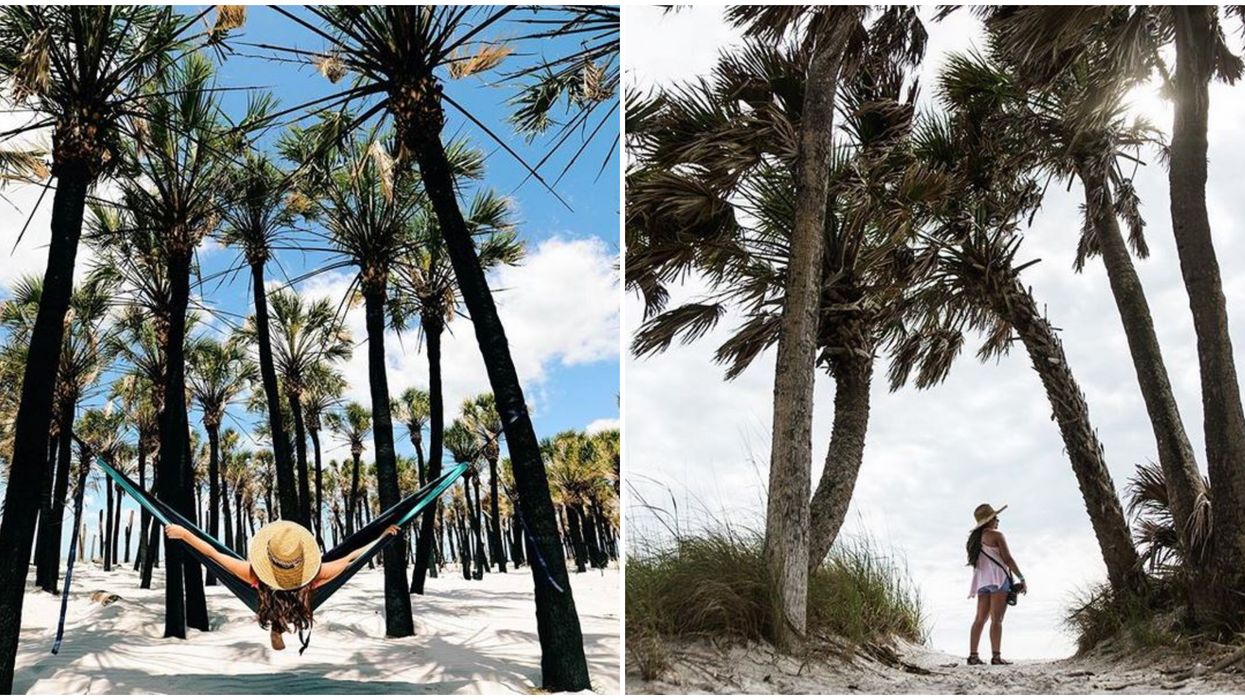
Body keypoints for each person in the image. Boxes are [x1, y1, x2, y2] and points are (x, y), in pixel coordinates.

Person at [166, 520, 398, 650]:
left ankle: (277, 628)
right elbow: (351, 558)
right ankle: (279, 627)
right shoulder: (317, 573)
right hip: (300, 604)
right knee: (289, 604)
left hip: (269, 604)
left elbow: (214, 554)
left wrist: (185, 534)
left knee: (272, 603)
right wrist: (381, 539)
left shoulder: (252, 572)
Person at [966, 503, 1025, 666]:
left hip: (982, 582)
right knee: (997, 620)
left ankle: (973, 656)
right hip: (999, 580)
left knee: (979, 619)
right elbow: (1007, 559)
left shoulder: (974, 540)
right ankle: (996, 657)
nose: (998, 520)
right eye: (995, 517)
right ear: (989, 520)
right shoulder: (996, 535)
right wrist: (1022, 577)